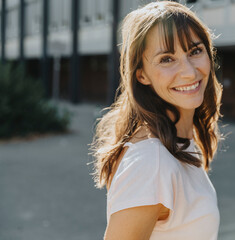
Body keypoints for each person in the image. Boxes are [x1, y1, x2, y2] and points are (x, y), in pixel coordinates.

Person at [90, 1, 223, 239]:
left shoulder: (179, 141)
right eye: (167, 59)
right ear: (141, 75)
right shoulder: (151, 163)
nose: (190, 72)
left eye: (195, 51)